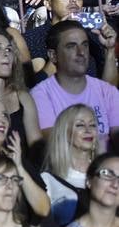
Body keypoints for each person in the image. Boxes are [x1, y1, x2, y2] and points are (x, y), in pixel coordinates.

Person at [32, 20, 119, 148]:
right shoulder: (41, 95)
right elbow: (53, 145)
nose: (81, 52)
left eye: (85, 45)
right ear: (53, 56)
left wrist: (110, 50)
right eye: (71, 46)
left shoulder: (106, 90)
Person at [41, 104, 100, 226]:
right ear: (65, 132)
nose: (88, 130)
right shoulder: (48, 179)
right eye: (80, 125)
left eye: (92, 125)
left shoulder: (108, 173)